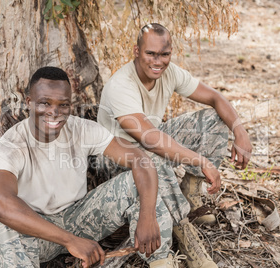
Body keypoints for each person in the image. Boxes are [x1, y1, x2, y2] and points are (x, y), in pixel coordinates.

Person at [0, 66, 194, 268]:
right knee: (4, 228)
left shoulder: (81, 129)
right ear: (29, 103)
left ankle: (161, 261)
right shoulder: (12, 144)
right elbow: (0, 203)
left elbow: (140, 159)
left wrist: (147, 215)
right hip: (38, 231)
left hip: (80, 219)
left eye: (63, 105)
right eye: (44, 103)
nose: (54, 112)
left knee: (136, 182)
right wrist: (69, 240)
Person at [97, 23, 253, 268]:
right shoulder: (121, 85)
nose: (158, 61)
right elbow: (149, 138)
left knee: (215, 120)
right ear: (136, 51)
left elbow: (215, 97)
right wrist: (200, 161)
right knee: (151, 156)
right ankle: (184, 232)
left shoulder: (169, 73)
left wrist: (239, 130)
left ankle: (191, 196)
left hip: (148, 146)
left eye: (164, 54)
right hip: (115, 160)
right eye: (151, 54)